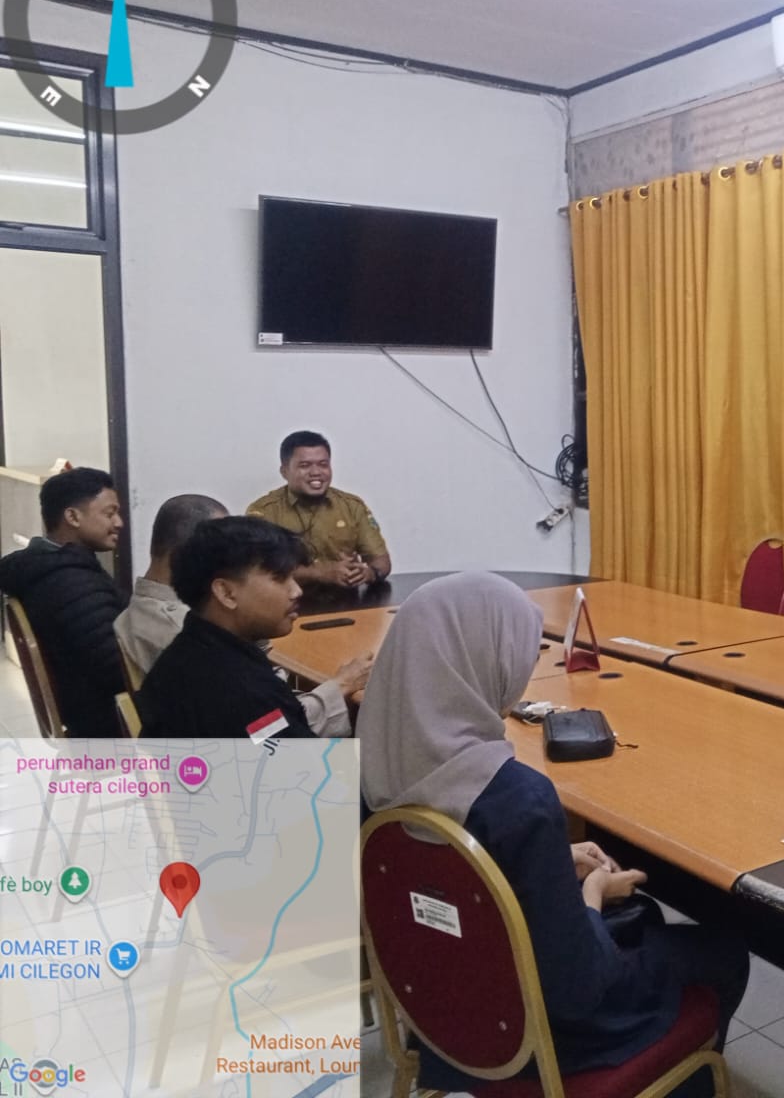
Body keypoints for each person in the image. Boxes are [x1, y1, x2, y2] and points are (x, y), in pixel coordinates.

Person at [359, 572, 748, 1095]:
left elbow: (455, 869)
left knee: (642, 922)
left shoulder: (373, 768)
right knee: (719, 951)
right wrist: (594, 890)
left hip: (439, 1015)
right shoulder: (518, 799)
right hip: (541, 1041)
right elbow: (578, 989)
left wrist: (552, 860)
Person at [115, 495, 364, 734]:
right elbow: (282, 743)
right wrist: (340, 687)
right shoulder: (231, 686)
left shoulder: (196, 641)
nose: (297, 591)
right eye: (280, 578)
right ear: (225, 592)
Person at [0, 467, 126, 737]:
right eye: (109, 513)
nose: (119, 523)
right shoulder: (71, 583)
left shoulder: (44, 567)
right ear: (73, 517)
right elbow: (119, 671)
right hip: (106, 724)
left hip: (85, 715)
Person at [247, 430, 391, 589]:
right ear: (284, 471)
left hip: (345, 599)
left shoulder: (351, 506)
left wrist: (369, 573)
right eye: (304, 465)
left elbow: (381, 560)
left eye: (323, 464)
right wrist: (319, 573)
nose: (316, 472)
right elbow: (257, 570)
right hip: (285, 601)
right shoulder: (264, 512)